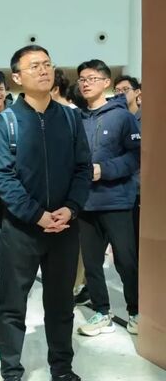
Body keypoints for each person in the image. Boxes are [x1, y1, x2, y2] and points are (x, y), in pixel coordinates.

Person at [0, 45, 92, 381]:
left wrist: (70, 209)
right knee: (12, 305)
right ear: (17, 77)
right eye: (34, 66)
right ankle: (11, 372)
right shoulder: (6, 122)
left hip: (64, 227)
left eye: (47, 64)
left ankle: (62, 369)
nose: (44, 70)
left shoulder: (71, 119)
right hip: (20, 230)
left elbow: (83, 168)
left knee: (61, 305)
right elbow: (2, 176)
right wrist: (36, 215)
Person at [75, 60, 140, 337]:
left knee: (126, 260)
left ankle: (136, 311)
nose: (85, 83)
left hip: (116, 201)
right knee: (91, 263)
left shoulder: (122, 117)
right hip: (85, 203)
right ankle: (102, 312)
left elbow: (135, 157)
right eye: (82, 79)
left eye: (92, 78)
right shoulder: (76, 119)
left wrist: (105, 170)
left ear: (105, 82)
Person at [113, 75, 142, 255]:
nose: (120, 94)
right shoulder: (115, 119)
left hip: (140, 190)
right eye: (117, 91)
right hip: (119, 189)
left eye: (125, 90)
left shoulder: (146, 118)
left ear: (137, 92)